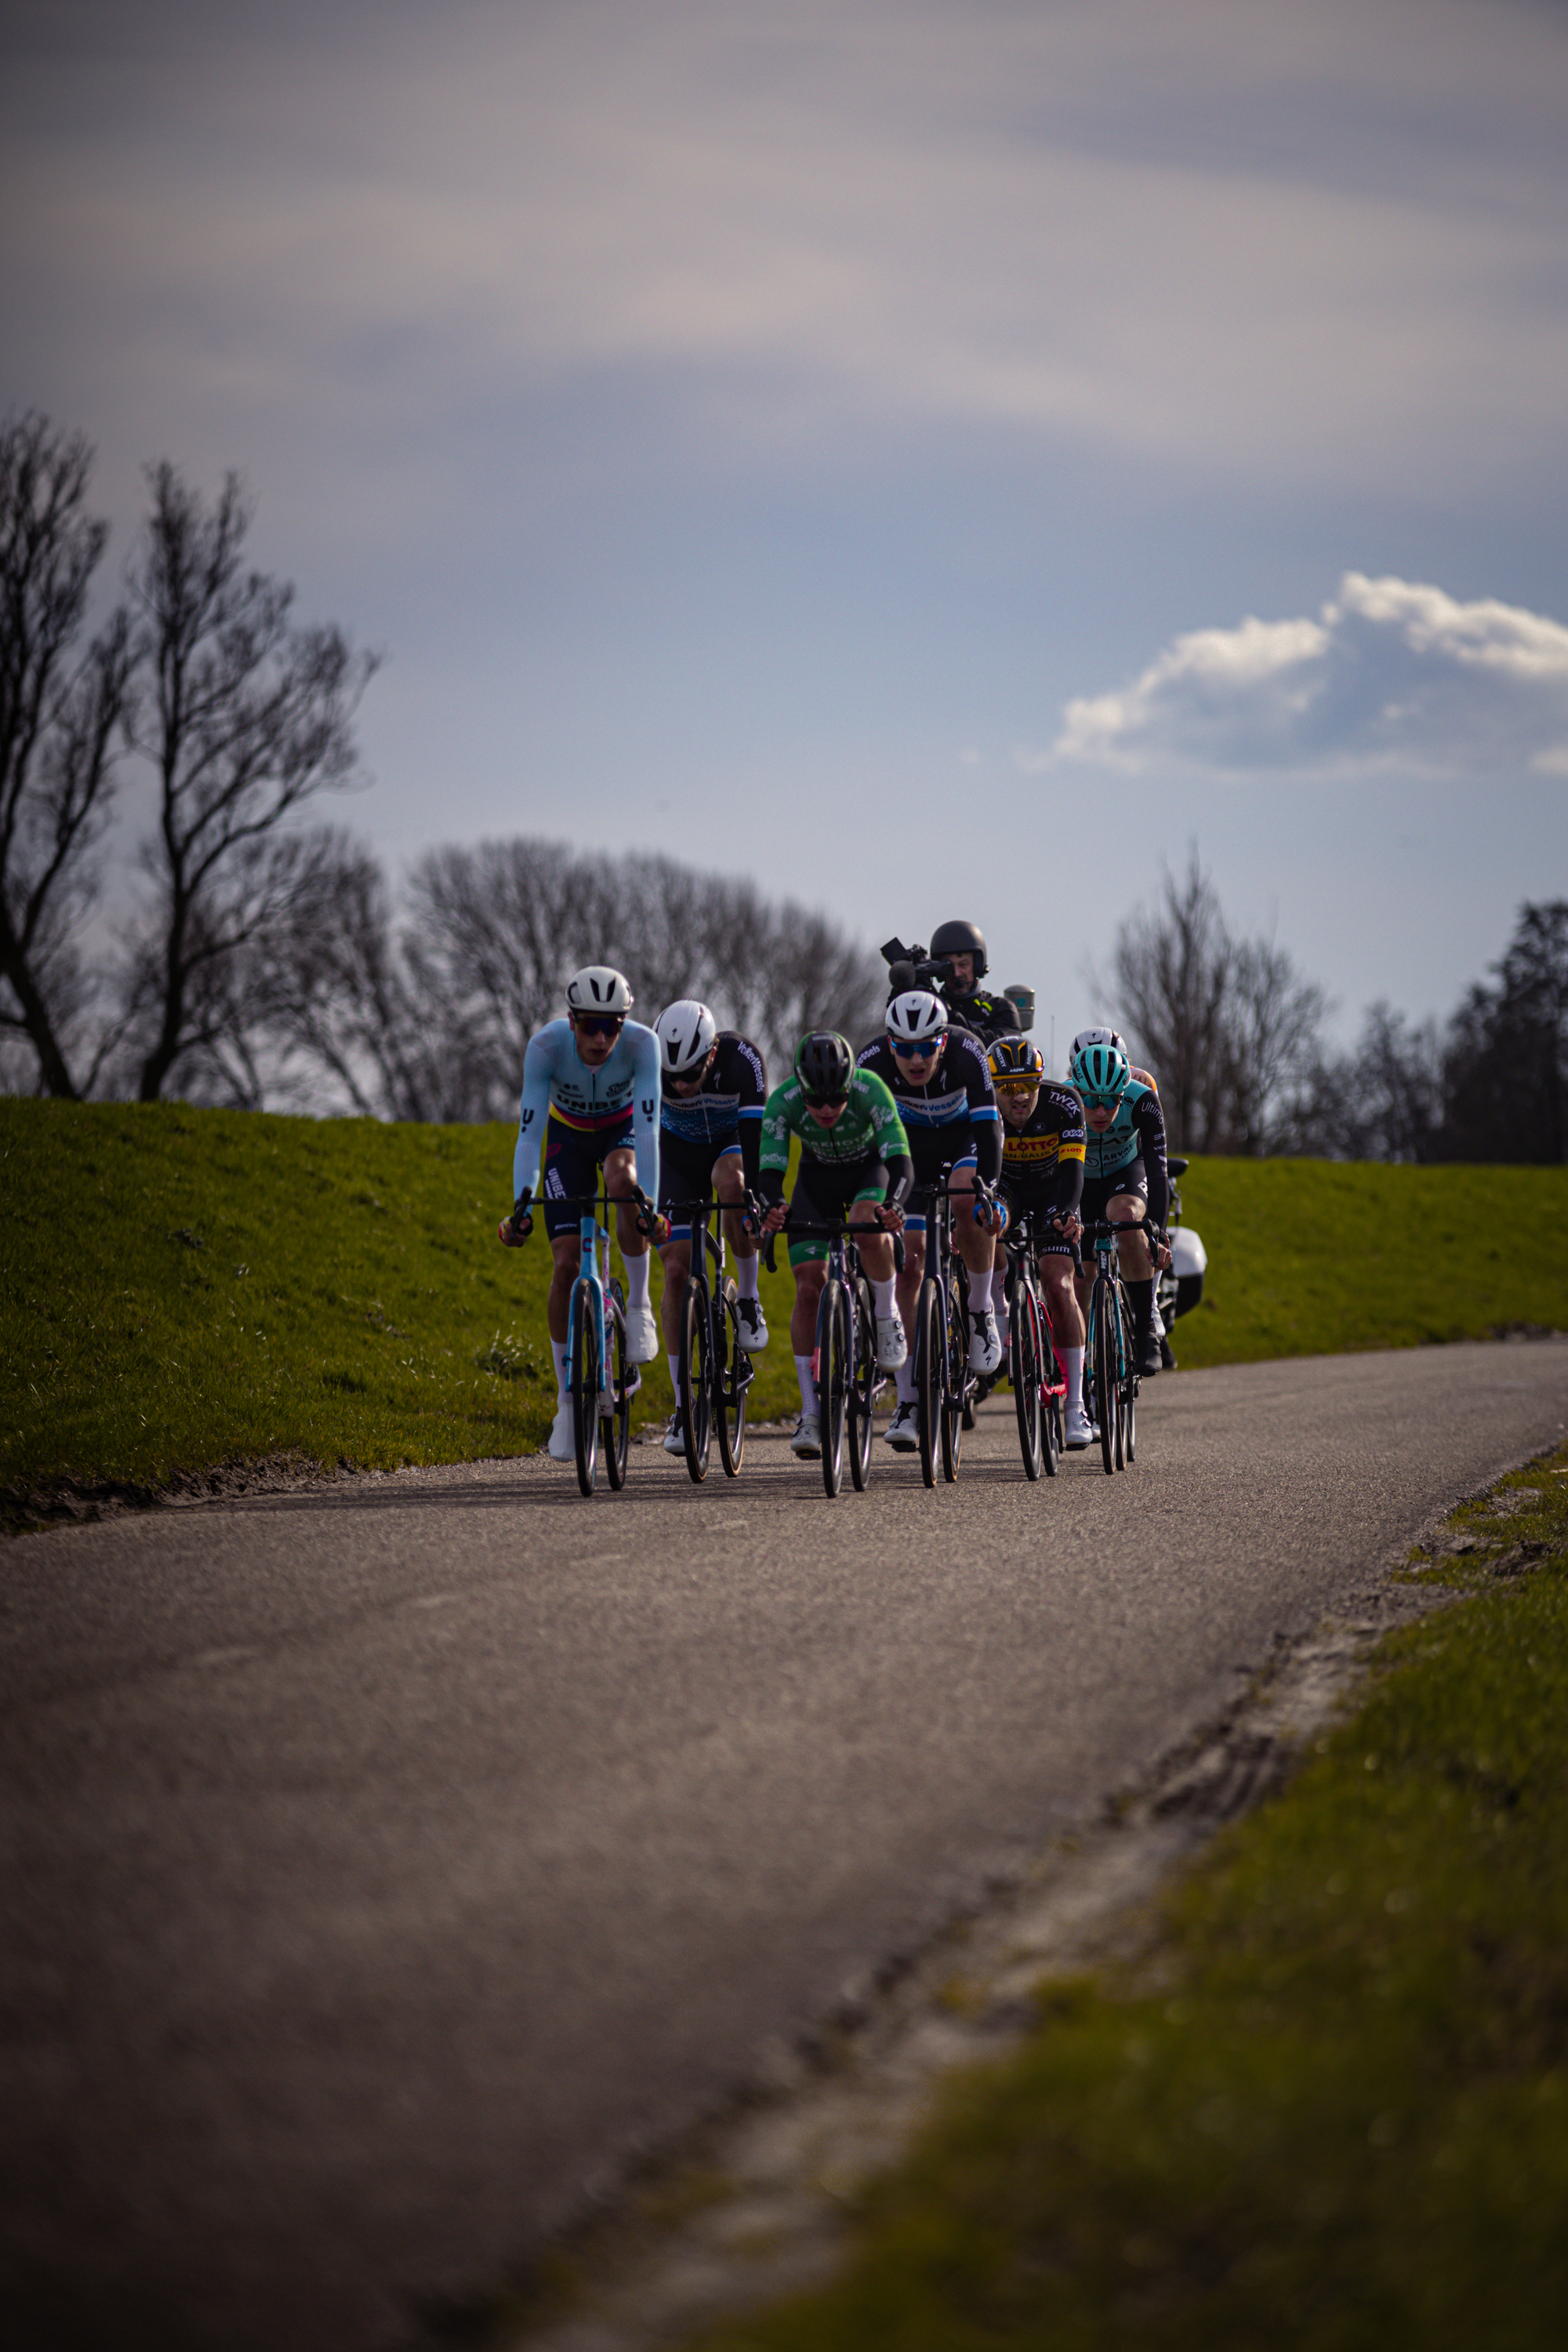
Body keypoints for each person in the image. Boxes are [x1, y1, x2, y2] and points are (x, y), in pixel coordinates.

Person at [497, 965, 665, 1462]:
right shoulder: (545, 1048)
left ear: (624, 1023)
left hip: (622, 1135)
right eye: (590, 1024)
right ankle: (567, 1404)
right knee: (566, 1264)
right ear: (571, 1021)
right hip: (566, 1139)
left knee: (621, 1180)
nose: (600, 1037)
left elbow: (650, 1131)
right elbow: (529, 1137)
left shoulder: (642, 1046)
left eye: (611, 1025)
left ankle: (637, 1306)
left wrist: (649, 1203)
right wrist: (522, 1203)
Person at [856, 989, 1004, 1452]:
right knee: (911, 1266)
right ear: (891, 1043)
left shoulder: (968, 1053)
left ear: (942, 1042)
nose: (916, 1059)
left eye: (926, 1048)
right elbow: (864, 1142)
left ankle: (979, 1310)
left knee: (966, 1201)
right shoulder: (872, 1061)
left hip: (963, 1142)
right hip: (909, 1153)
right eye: (905, 1048)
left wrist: (989, 1188)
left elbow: (988, 1128)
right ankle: (908, 1400)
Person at [757, 1032, 913, 1460]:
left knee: (866, 1224)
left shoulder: (870, 1089)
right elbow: (769, 1172)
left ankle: (885, 1313)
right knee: (808, 1284)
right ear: (801, 1089)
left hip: (869, 1171)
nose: (826, 1109)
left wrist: (895, 1204)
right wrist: (772, 1206)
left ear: (849, 1085)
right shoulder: (783, 1101)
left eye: (835, 1099)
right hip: (817, 1179)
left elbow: (901, 1162)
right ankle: (810, 1412)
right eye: (816, 1101)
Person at [652, 1001, 769, 1456]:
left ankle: (748, 1298)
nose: (680, 1084)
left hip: (727, 1147)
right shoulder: (651, 1062)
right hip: (676, 1157)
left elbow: (756, 1143)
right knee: (676, 1272)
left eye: (691, 1073)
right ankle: (683, 1409)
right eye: (672, 1076)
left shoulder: (744, 1061)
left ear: (713, 1052)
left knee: (735, 1186)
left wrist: (756, 1202)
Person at [988, 1036, 1094, 1447]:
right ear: (993, 1086)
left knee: (1059, 1284)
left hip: (1054, 1193)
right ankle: (996, 1306)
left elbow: (1073, 1172)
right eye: (1009, 1088)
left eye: (1029, 1084)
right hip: (1008, 1191)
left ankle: (1076, 1407)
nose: (1020, 1096)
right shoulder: (982, 1109)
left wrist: (1068, 1212)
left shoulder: (1064, 1104)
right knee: (987, 1218)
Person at [1068, 1033, 1171, 1378]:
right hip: (1079, 1178)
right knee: (1082, 1278)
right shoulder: (1063, 1100)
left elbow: (1158, 1175)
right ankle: (1076, 1366)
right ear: (1077, 1091)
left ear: (1124, 1093)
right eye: (1092, 1100)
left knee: (1128, 1221)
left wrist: (1158, 1234)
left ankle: (1145, 1331)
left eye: (1111, 1101)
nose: (1100, 1111)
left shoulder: (1144, 1100)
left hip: (1125, 1172)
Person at [887, 920, 1022, 1048]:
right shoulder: (927, 1007)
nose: (957, 974)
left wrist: (949, 1017)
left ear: (977, 966)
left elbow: (1004, 1048)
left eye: (963, 965)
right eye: (949, 967)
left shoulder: (1000, 1008)